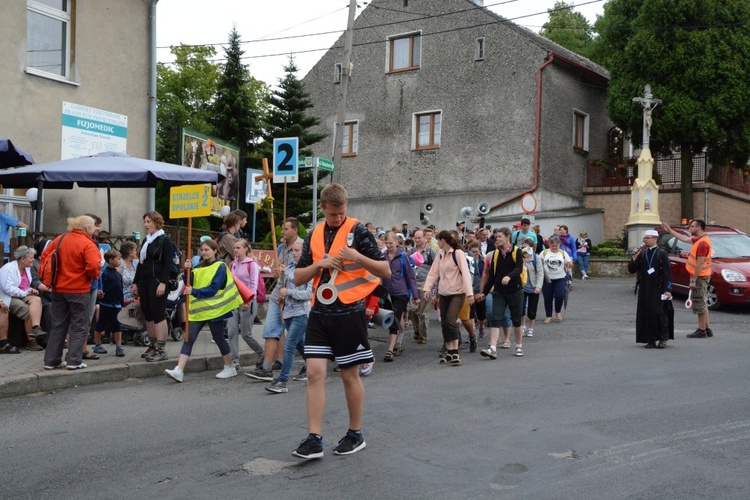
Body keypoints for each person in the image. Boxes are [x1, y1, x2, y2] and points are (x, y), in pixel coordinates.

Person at [291, 183, 390, 460]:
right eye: (333, 214)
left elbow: (385, 270)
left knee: (349, 375)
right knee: (314, 374)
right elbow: (298, 277)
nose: (337, 218)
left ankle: (355, 433)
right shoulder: (314, 233)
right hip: (320, 314)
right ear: (322, 208)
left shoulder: (358, 230)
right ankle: (314, 439)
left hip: (350, 313)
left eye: (341, 213)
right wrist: (318, 266)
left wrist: (357, 256)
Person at [164, 239, 243, 382]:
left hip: (215, 310)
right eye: (202, 250)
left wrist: (193, 291)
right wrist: (187, 271)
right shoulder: (198, 267)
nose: (204, 252)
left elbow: (213, 288)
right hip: (199, 311)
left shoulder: (220, 267)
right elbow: (190, 283)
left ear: (215, 251)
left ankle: (230, 367)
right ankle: (179, 370)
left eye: (207, 249)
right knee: (189, 339)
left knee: (219, 338)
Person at [41, 215, 102, 370]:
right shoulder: (88, 243)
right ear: (87, 228)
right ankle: (73, 361)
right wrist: (91, 275)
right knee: (79, 325)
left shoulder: (60, 239)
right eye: (93, 226)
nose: (94, 229)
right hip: (79, 290)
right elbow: (95, 265)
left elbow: (44, 256)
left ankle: (51, 361)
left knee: (58, 325)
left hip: (58, 289)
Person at [246, 217, 303, 381]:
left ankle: (310, 362)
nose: (282, 232)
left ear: (295, 230)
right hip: (277, 295)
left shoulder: (302, 247)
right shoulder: (281, 248)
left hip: (294, 298)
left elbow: (305, 272)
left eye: (286, 229)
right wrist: (277, 272)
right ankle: (266, 369)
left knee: (297, 337)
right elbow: (277, 270)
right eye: (281, 229)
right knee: (271, 329)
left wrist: (287, 274)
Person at [265, 240, 313, 394]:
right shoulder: (290, 268)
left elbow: (309, 294)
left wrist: (289, 293)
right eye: (294, 251)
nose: (295, 253)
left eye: (299, 251)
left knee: (289, 345)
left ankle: (282, 381)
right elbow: (283, 288)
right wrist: (281, 294)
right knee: (299, 344)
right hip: (288, 312)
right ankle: (314, 366)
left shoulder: (309, 270)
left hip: (301, 313)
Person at [422, 230, 474, 366]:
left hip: (457, 292)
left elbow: (466, 274)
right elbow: (433, 273)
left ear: (443, 241)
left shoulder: (458, 254)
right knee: (444, 323)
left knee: (451, 320)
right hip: (444, 294)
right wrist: (427, 288)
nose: (437, 242)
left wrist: (469, 294)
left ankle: (455, 351)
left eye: (438, 240)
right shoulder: (440, 255)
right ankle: (450, 353)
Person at [132, 212, 175, 362]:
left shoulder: (165, 240)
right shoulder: (146, 240)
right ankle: (153, 344)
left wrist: (163, 283)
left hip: (158, 280)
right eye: (145, 221)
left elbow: (168, 264)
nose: (146, 224)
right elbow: (141, 264)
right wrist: (135, 282)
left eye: (148, 221)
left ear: (157, 222)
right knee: (148, 314)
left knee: (158, 314)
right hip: (144, 280)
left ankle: (161, 349)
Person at [661, 220, 713, 338]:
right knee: (703, 301)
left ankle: (701, 330)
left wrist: (693, 279)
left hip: (700, 276)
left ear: (699, 228)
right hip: (703, 275)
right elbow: (683, 239)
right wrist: (669, 230)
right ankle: (707, 328)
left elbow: (700, 264)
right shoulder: (701, 239)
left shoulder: (702, 243)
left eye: (692, 226)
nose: (690, 229)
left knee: (699, 302)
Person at [478, 227, 525, 358]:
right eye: (496, 237)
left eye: (499, 237)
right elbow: (492, 276)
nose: (497, 239)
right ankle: (492, 348)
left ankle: (519, 345)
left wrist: (509, 276)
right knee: (495, 318)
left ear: (507, 237)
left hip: (515, 290)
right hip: (499, 291)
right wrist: (484, 292)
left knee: (516, 319)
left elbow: (519, 269)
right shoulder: (496, 254)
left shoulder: (517, 251)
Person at [628, 230, 673, 348]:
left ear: (655, 239)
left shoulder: (661, 253)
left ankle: (663, 338)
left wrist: (668, 289)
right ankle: (650, 339)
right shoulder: (642, 254)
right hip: (645, 288)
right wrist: (634, 258)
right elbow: (632, 269)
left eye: (647, 238)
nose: (645, 240)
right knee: (646, 313)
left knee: (658, 313)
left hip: (658, 288)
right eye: (644, 238)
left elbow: (667, 273)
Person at [227, 238, 264, 371]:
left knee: (246, 334)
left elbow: (253, 285)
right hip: (234, 301)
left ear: (246, 249)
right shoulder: (232, 264)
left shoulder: (251, 264)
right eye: (234, 248)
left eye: (238, 248)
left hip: (247, 301)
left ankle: (263, 354)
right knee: (231, 331)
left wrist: (248, 301)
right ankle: (234, 361)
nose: (235, 250)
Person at [382, 231, 419, 362]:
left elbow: (411, 277)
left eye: (391, 243)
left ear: (397, 242)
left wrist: (415, 295)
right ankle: (399, 342)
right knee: (397, 318)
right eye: (386, 243)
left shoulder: (403, 256)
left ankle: (390, 350)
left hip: (401, 293)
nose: (388, 245)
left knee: (394, 319)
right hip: (387, 293)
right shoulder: (383, 256)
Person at [0, 245, 46, 350]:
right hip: (7, 296)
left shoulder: (27, 269)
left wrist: (30, 290)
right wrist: (25, 293)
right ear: (23, 259)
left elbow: (24, 285)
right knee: (27, 310)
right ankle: (31, 341)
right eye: (31, 258)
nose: (33, 260)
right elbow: (7, 288)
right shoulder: (9, 268)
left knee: (37, 299)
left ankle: (35, 327)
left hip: (21, 294)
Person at [92, 249, 126, 357]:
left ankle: (119, 347)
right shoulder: (104, 273)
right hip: (106, 304)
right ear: (111, 260)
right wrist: (101, 295)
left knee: (117, 325)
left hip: (116, 304)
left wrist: (122, 303)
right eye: (118, 259)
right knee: (101, 324)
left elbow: (120, 289)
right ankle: (97, 344)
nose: (120, 261)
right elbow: (101, 287)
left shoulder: (118, 274)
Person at [408, 229, 437, 344]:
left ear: (425, 238)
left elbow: (436, 268)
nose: (417, 240)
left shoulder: (430, 252)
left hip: (425, 283)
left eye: (420, 238)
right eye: (416, 238)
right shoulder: (410, 251)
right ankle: (417, 331)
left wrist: (433, 288)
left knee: (423, 311)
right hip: (413, 283)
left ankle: (423, 336)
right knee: (412, 310)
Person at [540, 236, 573, 323]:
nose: (554, 248)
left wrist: (569, 264)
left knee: (560, 296)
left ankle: (557, 311)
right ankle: (548, 316)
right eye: (552, 246)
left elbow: (570, 263)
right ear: (549, 245)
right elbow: (539, 262)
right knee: (547, 298)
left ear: (559, 245)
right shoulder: (544, 252)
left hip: (560, 278)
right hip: (547, 279)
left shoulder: (563, 253)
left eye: (556, 246)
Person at [520, 238, 544, 338]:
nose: (525, 249)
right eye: (523, 247)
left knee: (532, 309)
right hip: (523, 286)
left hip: (533, 287)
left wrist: (538, 286)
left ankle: (531, 328)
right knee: (521, 308)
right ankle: (523, 326)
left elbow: (540, 273)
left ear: (532, 248)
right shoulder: (520, 257)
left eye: (526, 247)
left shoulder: (536, 258)